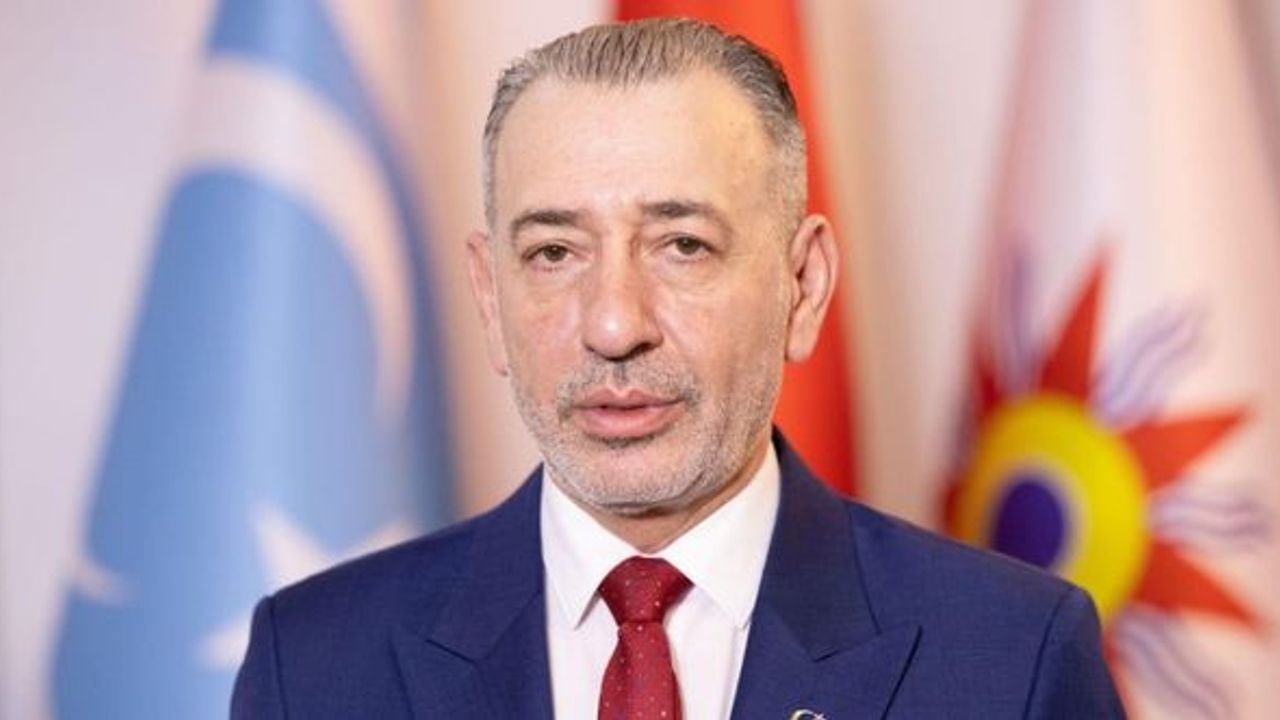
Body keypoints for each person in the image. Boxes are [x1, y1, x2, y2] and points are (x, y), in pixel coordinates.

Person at [232, 18, 1123, 719]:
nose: (614, 325)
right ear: (489, 297)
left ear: (803, 286)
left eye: (682, 245)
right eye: (553, 253)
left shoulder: (1013, 661)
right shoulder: (310, 666)